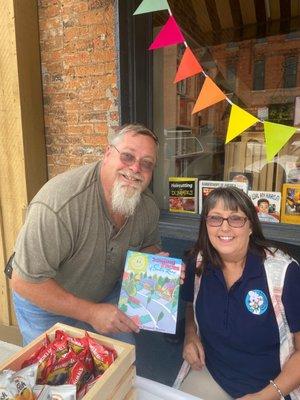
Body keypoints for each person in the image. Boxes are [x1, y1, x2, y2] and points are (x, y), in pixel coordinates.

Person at [9, 123, 164, 345]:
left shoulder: (147, 206)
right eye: (128, 157)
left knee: (122, 358)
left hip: (104, 295)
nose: (136, 168)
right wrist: (91, 313)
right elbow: (24, 282)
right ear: (108, 153)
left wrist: (157, 269)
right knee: (50, 374)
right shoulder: (61, 204)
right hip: (45, 303)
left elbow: (148, 247)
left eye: (146, 164)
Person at [175, 187, 300, 400]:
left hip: (273, 387)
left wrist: (265, 396)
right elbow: (190, 306)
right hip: (214, 375)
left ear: (251, 225)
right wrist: (190, 335)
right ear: (205, 224)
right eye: (215, 218)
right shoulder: (198, 263)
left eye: (235, 219)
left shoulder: (284, 273)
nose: (224, 227)